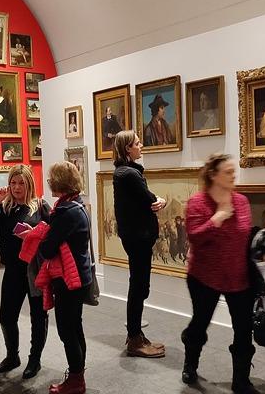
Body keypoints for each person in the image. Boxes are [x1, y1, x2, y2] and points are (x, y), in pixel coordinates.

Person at [181, 153, 258, 394]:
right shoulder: (197, 203)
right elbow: (194, 237)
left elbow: (246, 236)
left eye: (233, 170)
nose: (233, 174)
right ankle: (190, 364)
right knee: (200, 325)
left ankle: (241, 381)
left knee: (244, 330)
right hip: (204, 276)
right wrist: (218, 218)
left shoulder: (242, 202)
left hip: (239, 277)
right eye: (228, 171)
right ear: (213, 175)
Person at [0, 165, 50, 379]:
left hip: (35, 270)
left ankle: (35, 359)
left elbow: (52, 235)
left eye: (21, 183)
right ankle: (12, 356)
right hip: (12, 270)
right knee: (6, 316)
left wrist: (35, 236)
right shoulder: (5, 207)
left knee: (38, 316)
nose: (17, 187)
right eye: (13, 183)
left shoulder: (40, 206)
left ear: (29, 183)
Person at [38, 161, 92, 394]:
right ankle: (77, 373)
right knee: (75, 326)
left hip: (68, 279)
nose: (49, 182)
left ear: (60, 183)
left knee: (66, 329)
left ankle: (76, 380)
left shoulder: (65, 212)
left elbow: (48, 249)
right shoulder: (76, 206)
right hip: (78, 276)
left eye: (51, 179)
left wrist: (39, 237)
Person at [112, 130, 166, 358]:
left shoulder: (126, 172)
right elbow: (150, 199)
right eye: (137, 143)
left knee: (139, 285)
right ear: (128, 149)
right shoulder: (129, 174)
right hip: (138, 238)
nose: (141, 145)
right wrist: (159, 201)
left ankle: (135, 334)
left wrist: (156, 202)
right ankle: (134, 338)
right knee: (139, 287)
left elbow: (147, 199)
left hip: (136, 237)